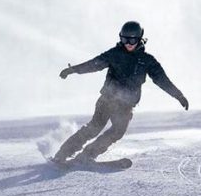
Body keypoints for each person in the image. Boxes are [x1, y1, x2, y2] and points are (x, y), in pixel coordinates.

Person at [51, 21, 188, 164]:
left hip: (126, 105)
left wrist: (178, 95)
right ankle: (62, 154)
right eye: (124, 39)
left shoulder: (147, 61)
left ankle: (88, 155)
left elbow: (162, 80)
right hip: (107, 100)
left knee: (117, 131)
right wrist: (73, 70)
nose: (128, 43)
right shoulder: (114, 54)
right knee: (94, 128)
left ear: (139, 39)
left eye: (132, 40)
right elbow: (94, 64)